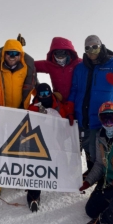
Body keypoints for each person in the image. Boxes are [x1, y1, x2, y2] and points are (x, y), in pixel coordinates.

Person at [67, 35, 113, 174]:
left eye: (95, 47)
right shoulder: (80, 68)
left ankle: (97, 180)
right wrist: (70, 108)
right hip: (80, 119)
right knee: (76, 150)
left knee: (97, 155)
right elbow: (74, 90)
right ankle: (80, 177)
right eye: (87, 48)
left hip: (101, 121)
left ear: (101, 46)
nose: (91, 51)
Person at [0, 38, 37, 197]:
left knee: (18, 146)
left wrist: (45, 101)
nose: (12, 56)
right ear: (4, 54)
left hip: (18, 112)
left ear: (20, 55)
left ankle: (17, 175)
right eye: (9, 53)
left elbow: (33, 85)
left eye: (16, 53)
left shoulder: (26, 67)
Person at [27, 83, 71, 212]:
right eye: (41, 94)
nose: (44, 96)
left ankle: (66, 182)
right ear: (37, 95)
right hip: (39, 141)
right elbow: (28, 123)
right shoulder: (33, 107)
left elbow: (64, 120)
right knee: (36, 166)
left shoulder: (58, 106)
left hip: (56, 141)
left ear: (51, 93)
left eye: (47, 94)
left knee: (61, 163)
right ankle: (33, 195)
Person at [34, 37, 82, 102]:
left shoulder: (77, 63)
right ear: (53, 53)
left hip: (75, 100)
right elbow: (30, 64)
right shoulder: (50, 65)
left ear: (68, 52)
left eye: (63, 52)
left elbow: (93, 63)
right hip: (59, 102)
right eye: (57, 53)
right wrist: (19, 50)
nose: (60, 56)